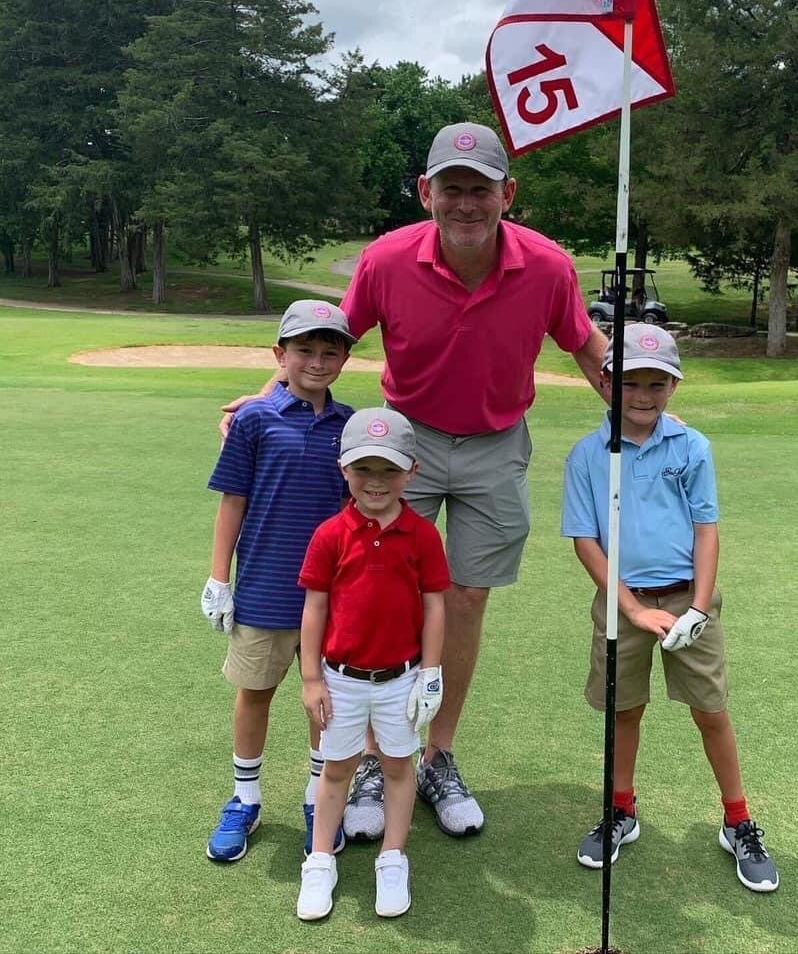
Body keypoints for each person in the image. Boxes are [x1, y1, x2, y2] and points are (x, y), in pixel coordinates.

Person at [221, 121, 608, 839]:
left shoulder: (549, 267)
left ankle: (437, 755)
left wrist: (637, 413)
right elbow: (331, 340)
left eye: (481, 190)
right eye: (451, 188)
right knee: (381, 590)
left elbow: (585, 345)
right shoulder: (388, 259)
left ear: (508, 194)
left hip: (496, 442)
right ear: (426, 191)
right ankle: (373, 760)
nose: (466, 204)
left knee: (463, 598)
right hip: (405, 443)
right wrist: (273, 390)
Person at [560, 324, 780, 893]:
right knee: (624, 710)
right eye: (630, 382)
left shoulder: (691, 446)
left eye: (657, 384)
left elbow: (706, 529)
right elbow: (586, 541)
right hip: (622, 602)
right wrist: (631, 610)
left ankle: (738, 821)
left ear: (673, 387)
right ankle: (621, 811)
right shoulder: (589, 454)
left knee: (710, 712)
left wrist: (700, 609)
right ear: (607, 382)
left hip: (688, 599)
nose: (643, 395)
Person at [201, 299, 355, 863]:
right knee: (255, 693)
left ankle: (320, 794)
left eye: (329, 351)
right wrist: (220, 577)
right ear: (280, 356)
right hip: (265, 588)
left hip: (331, 596)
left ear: (344, 358)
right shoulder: (254, 419)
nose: (316, 361)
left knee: (328, 703)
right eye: (304, 350)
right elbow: (234, 499)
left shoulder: (349, 426)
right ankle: (245, 797)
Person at [296, 408, 449, 920]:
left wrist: (430, 671)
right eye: (364, 470)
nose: (376, 482)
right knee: (336, 770)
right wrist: (312, 676)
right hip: (340, 679)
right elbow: (315, 606)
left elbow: (434, 605)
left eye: (388, 470)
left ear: (411, 470)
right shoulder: (329, 534)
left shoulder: (423, 535)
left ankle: (393, 858)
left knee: (398, 767)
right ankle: (320, 861)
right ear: (344, 470)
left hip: (400, 679)